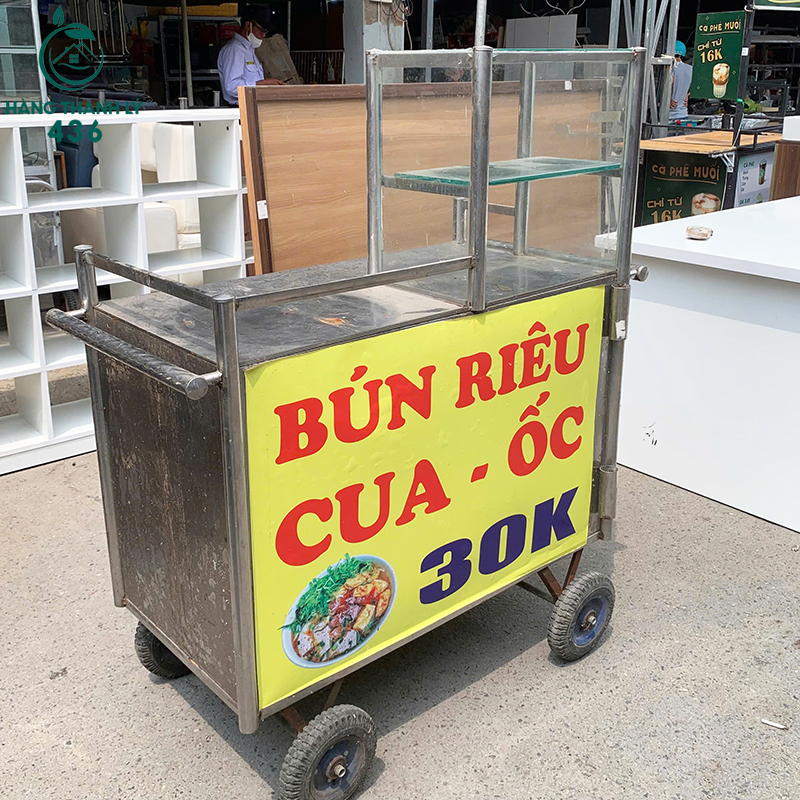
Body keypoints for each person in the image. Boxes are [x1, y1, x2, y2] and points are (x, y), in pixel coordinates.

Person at [218, 4, 285, 106]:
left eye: (265, 32)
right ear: (248, 25)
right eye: (261, 30)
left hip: (252, 105)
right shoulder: (235, 50)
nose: (263, 35)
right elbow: (232, 87)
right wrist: (263, 84)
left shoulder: (249, 50)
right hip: (240, 108)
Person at [670, 41, 693, 121]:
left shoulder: (670, 68)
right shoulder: (690, 69)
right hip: (683, 114)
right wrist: (687, 94)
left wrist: (668, 97)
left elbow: (671, 82)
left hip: (670, 115)